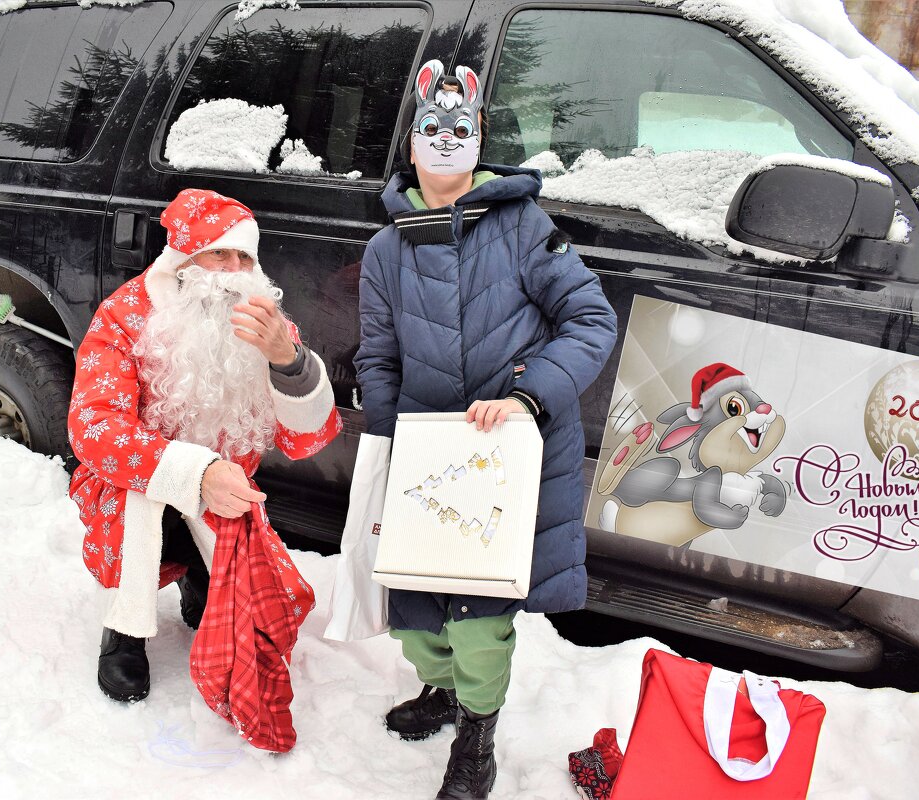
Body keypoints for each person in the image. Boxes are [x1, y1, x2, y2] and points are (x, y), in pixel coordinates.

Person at [354, 61, 617, 798]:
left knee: (477, 620)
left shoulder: (524, 227)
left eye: (459, 129)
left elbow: (591, 319)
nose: (444, 142)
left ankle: (477, 736)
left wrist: (530, 397)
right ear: (412, 147)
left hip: (509, 458)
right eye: (430, 130)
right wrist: (390, 443)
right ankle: (442, 692)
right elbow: (378, 356)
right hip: (426, 464)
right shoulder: (385, 251)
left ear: (478, 141)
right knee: (413, 621)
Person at [68, 189, 341, 752]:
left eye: (245, 259)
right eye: (220, 256)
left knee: (263, 600)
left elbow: (307, 438)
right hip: (135, 488)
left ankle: (203, 579)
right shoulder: (126, 313)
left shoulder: (267, 325)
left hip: (224, 496)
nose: (234, 273)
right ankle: (126, 626)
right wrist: (195, 473)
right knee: (134, 507)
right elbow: (93, 426)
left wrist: (288, 362)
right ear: (184, 259)